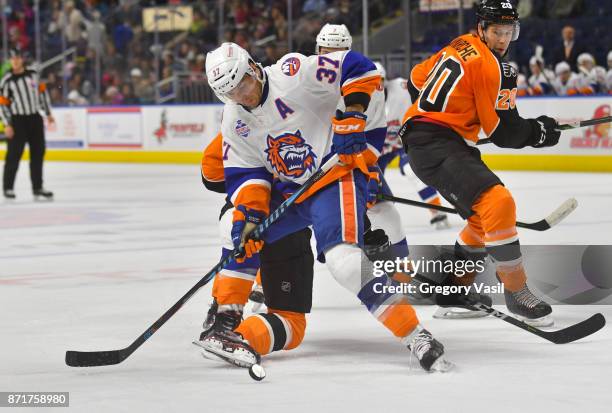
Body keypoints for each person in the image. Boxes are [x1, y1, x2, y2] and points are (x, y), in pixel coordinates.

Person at [196, 42, 451, 372]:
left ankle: (417, 336)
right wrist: (250, 216)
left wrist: (354, 114)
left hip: (334, 176)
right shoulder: (234, 120)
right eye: (231, 93)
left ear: (253, 68)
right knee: (237, 226)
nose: (241, 95)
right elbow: (249, 174)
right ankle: (226, 325)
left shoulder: (294, 75)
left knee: (344, 262)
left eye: (243, 84)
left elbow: (359, 67)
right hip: (290, 190)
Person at [401, 0, 560, 327]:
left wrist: (456, 116)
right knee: (497, 202)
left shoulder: (459, 43)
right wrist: (540, 132)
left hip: (428, 138)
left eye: (508, 32)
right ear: (482, 29)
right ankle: (517, 292)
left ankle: (454, 292)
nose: (502, 39)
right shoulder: (494, 67)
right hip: (436, 143)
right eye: (496, 31)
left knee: (480, 220)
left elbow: (415, 81)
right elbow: (503, 131)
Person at [372, 60, 450, 229]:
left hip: (404, 142)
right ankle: (372, 220)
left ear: (385, 81)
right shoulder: (359, 100)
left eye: (380, 82)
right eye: (372, 83)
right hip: (377, 149)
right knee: (370, 182)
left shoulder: (401, 89)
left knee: (411, 168)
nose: (376, 87)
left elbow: (422, 105)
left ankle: (436, 210)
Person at [0, 47, 54, 201]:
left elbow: (43, 94)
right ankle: (8, 188)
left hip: (35, 119)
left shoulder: (34, 75)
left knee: (38, 154)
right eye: (12, 59)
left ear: (22, 59)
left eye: (17, 58)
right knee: (13, 156)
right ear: (10, 61)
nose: (15, 61)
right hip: (17, 121)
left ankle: (38, 188)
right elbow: (3, 104)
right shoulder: (7, 80)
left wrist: (48, 113)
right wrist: (7, 124)